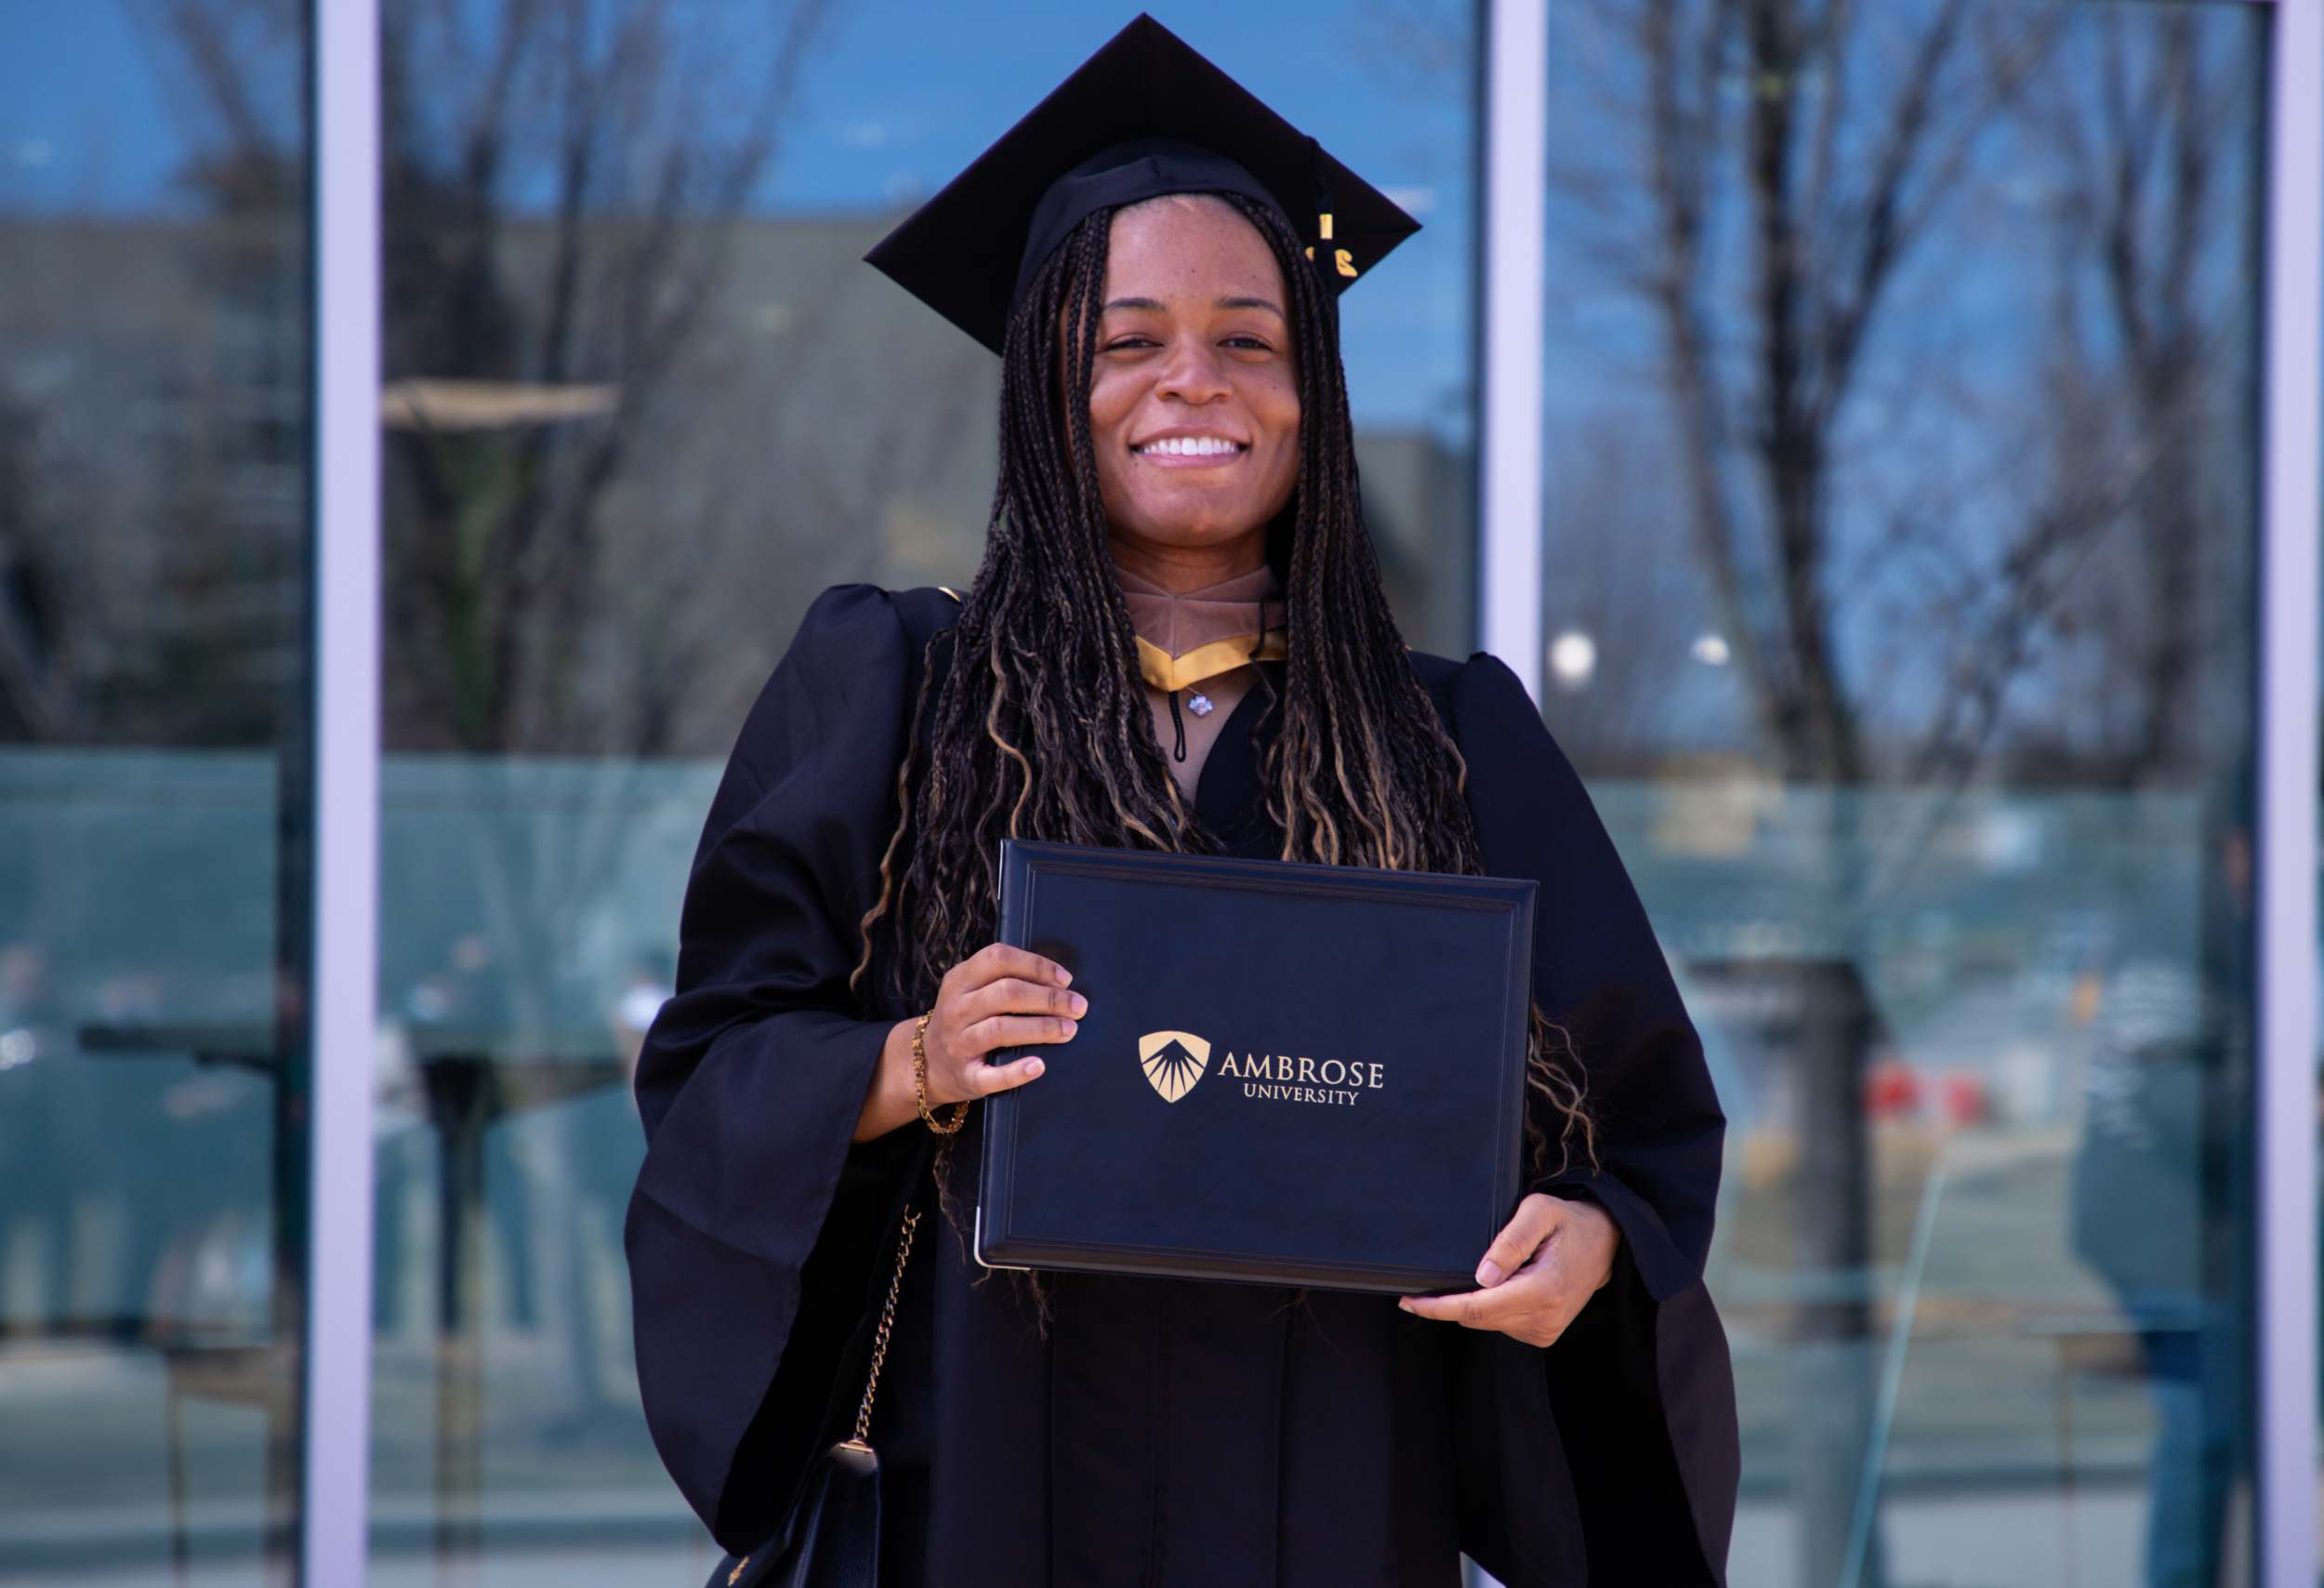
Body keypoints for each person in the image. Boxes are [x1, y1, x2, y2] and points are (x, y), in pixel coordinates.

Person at [625, 15, 1737, 1586]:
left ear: (1315, 392)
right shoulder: (896, 684)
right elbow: (717, 1072)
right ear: (1045, 384)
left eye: (1250, 338)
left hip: (1342, 1493)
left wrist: (1597, 1243)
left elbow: (1641, 1126)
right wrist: (910, 1059)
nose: (1192, 382)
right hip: (987, 1487)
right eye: (1128, 340)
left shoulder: (1448, 734)